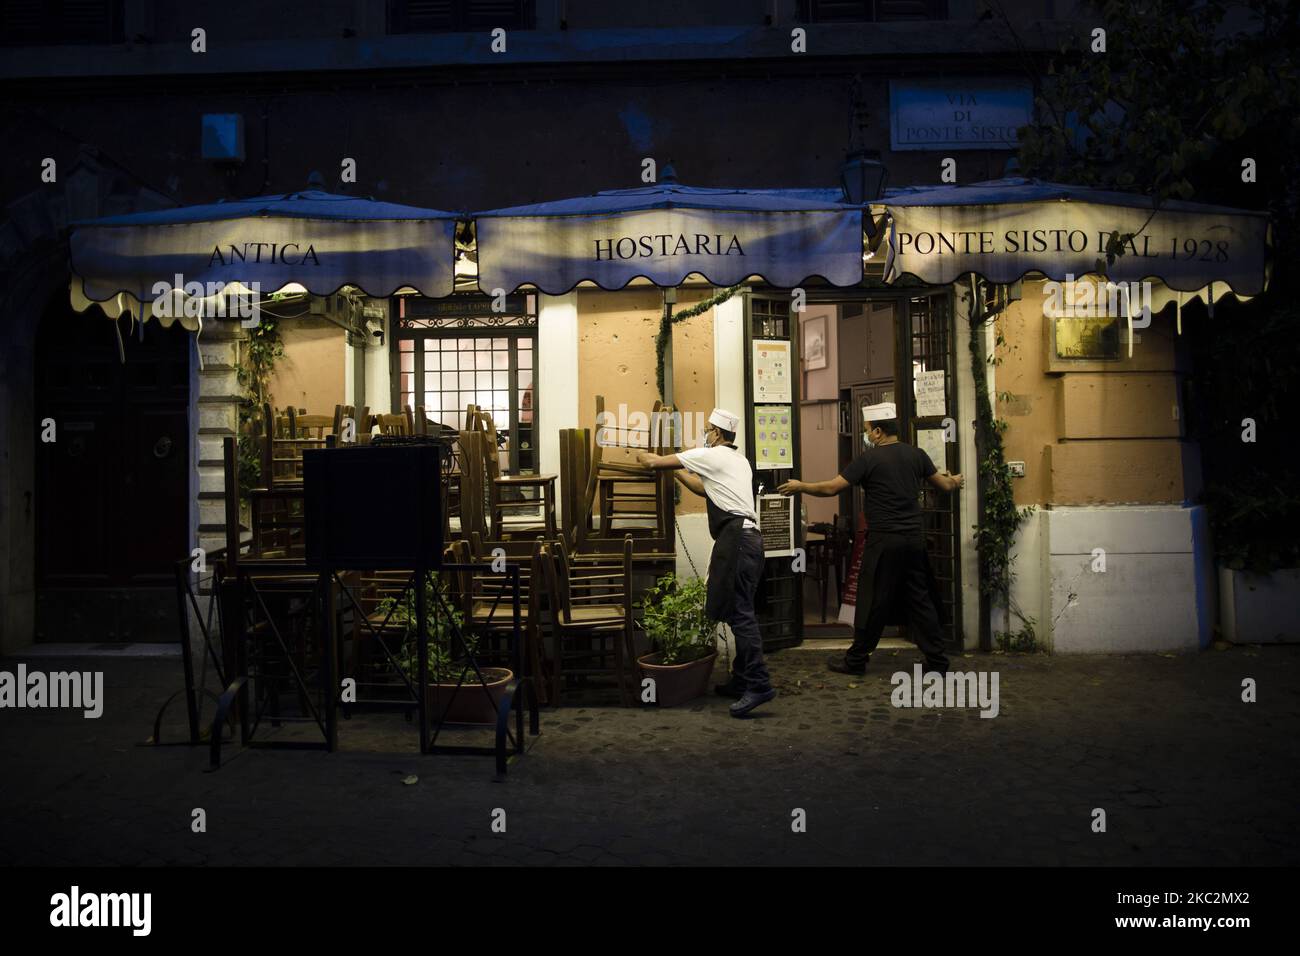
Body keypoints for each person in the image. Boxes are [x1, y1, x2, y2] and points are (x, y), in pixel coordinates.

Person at [778, 402, 963, 676]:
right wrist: (956, 479)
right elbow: (946, 485)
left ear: (877, 432)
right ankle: (938, 662)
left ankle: (856, 661)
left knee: (872, 600)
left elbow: (832, 488)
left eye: (867, 430)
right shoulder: (917, 455)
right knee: (920, 600)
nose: (867, 435)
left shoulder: (869, 460)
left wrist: (800, 486)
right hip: (913, 539)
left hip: (884, 541)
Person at [637, 408, 776, 717]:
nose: (706, 434)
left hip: (737, 539)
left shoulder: (712, 456)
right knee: (741, 610)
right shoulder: (738, 461)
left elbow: (654, 462)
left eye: (708, 429)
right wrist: (675, 469)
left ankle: (758, 684)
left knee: (740, 614)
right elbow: (704, 488)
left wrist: (644, 456)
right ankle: (742, 680)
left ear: (717, 433)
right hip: (748, 539)